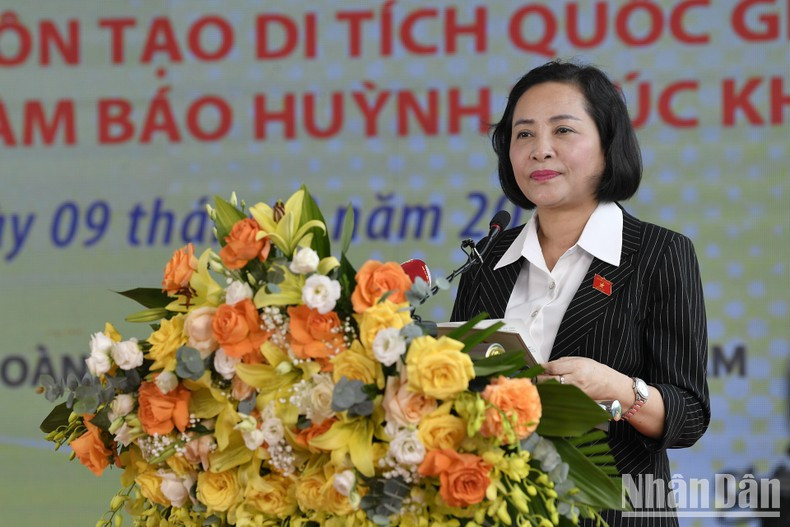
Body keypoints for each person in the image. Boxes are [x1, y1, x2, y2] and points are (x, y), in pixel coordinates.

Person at [451, 60, 710, 526]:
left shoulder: (658, 253)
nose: (540, 150)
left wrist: (620, 390)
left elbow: (689, 415)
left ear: (608, 145)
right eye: (523, 134)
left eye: (563, 130)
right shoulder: (487, 258)